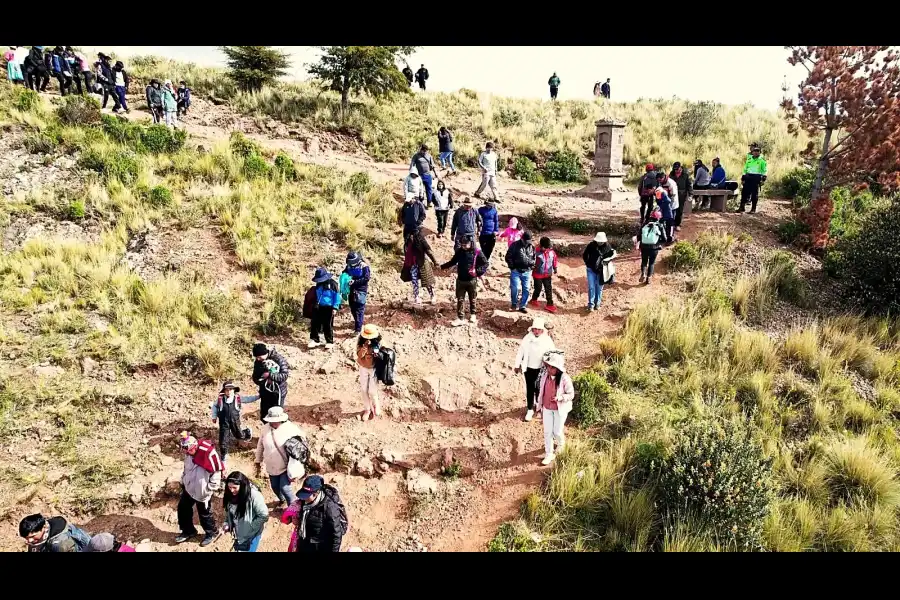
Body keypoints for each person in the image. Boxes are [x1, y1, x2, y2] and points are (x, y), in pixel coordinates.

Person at [176, 433, 224, 547]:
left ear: (195, 446)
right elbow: (186, 469)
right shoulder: (188, 456)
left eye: (188, 449)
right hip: (189, 488)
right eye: (185, 450)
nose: (186, 452)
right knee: (183, 509)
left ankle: (211, 533)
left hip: (202, 492)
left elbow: (216, 472)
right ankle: (188, 531)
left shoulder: (208, 455)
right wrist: (183, 480)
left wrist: (209, 489)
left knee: (204, 515)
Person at [255, 406, 306, 508]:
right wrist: (258, 459)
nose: (273, 423)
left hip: (285, 466)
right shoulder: (265, 428)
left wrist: (297, 468)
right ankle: (281, 500)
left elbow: (302, 445)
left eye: (275, 421)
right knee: (274, 487)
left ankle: (294, 509)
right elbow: (260, 444)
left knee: (285, 489)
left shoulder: (291, 429)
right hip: (271, 466)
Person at [535, 351, 574, 465]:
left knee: (557, 431)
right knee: (547, 432)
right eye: (548, 366)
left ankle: (561, 444)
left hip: (559, 409)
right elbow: (541, 391)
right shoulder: (544, 376)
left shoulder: (565, 378)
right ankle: (549, 454)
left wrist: (560, 398)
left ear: (557, 368)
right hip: (547, 408)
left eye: (552, 367)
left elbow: (571, 394)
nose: (549, 368)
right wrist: (539, 406)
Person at [291, 475, 347, 553]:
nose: (303, 498)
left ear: (316, 493)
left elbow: (336, 535)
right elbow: (305, 517)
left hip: (320, 547)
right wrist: (298, 521)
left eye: (306, 495)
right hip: (305, 541)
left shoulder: (330, 508)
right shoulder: (306, 501)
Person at [514, 318, 556, 422]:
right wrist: (517, 364)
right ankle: (529, 409)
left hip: (541, 369)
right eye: (535, 329)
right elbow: (521, 352)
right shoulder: (527, 338)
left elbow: (552, 353)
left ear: (542, 330)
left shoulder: (547, 340)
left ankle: (539, 407)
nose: (536, 331)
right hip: (528, 368)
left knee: (539, 388)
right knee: (530, 388)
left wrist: (551, 365)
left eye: (539, 329)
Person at [441, 236, 487, 326]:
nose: (464, 247)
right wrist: (442, 266)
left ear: (471, 243)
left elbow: (485, 263)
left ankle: (473, 314)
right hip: (460, 280)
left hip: (472, 280)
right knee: (460, 299)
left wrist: (477, 272)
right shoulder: (460, 252)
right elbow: (453, 262)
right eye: (462, 245)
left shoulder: (477, 252)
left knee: (472, 298)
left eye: (466, 245)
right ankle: (460, 318)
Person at [211, 380, 258, 469]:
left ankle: (247, 432)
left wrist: (257, 397)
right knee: (223, 440)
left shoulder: (237, 398)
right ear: (224, 391)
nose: (229, 391)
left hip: (235, 421)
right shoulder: (220, 399)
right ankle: (224, 457)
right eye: (227, 390)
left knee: (239, 434)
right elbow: (214, 406)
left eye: (231, 389)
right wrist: (214, 416)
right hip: (223, 422)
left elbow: (248, 399)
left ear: (234, 390)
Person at [223, 471, 269, 552]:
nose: (231, 490)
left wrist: (251, 528)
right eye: (229, 487)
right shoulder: (230, 494)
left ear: (242, 486)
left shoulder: (254, 496)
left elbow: (264, 515)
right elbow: (229, 511)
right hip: (239, 532)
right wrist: (227, 523)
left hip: (252, 535)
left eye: (234, 488)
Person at [251, 342, 290, 421]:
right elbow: (255, 377)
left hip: (278, 392)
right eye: (256, 357)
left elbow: (284, 375)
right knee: (265, 417)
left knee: (277, 416)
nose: (257, 359)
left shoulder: (279, 359)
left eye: (259, 357)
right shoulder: (258, 362)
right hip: (265, 392)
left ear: (264, 353)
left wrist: (270, 375)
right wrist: (263, 382)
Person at [19, 513, 91, 552]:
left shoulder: (61, 544)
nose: (29, 541)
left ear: (44, 528)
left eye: (32, 536)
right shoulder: (39, 532)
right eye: (26, 538)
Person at [309, 267, 342, 349]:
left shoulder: (333, 284)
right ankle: (315, 340)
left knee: (327, 324)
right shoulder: (318, 284)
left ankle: (329, 341)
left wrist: (335, 307)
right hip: (318, 306)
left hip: (329, 308)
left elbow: (337, 297)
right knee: (315, 323)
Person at [583, 232, 616, 310]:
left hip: (601, 272)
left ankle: (597, 304)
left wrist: (604, 263)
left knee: (599, 288)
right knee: (591, 287)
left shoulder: (608, 247)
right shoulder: (591, 245)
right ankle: (591, 304)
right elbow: (585, 255)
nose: (600, 242)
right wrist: (588, 264)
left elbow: (610, 258)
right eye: (598, 241)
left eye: (601, 241)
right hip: (590, 270)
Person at [403, 229, 438, 305]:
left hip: (422, 263)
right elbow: (407, 253)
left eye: (413, 236)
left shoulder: (420, 240)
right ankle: (417, 297)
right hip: (413, 264)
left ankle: (432, 296)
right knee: (414, 281)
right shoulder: (408, 242)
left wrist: (435, 262)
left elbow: (429, 251)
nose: (411, 237)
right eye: (410, 236)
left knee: (427, 281)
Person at [357, 323, 382, 420]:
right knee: (364, 389)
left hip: (374, 368)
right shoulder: (360, 342)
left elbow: (384, 355)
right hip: (363, 367)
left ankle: (376, 405)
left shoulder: (379, 342)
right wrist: (365, 347)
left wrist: (377, 353)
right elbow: (359, 355)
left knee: (372, 390)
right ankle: (367, 409)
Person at [506, 231, 536, 313]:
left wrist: (531, 266)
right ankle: (514, 304)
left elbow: (534, 258)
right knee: (515, 288)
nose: (527, 243)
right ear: (522, 239)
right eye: (526, 241)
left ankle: (523, 306)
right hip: (516, 271)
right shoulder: (514, 245)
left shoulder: (531, 247)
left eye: (529, 241)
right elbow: (508, 257)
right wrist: (512, 267)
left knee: (526, 289)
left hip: (527, 271)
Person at [343, 251, 371, 335]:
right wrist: (344, 278)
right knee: (353, 308)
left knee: (359, 309)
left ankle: (358, 329)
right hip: (351, 290)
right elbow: (344, 273)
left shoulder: (364, 266)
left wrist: (354, 282)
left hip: (360, 291)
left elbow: (366, 278)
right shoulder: (349, 266)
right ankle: (357, 322)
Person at [529, 237, 558, 313]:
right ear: (540, 245)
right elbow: (531, 261)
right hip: (537, 274)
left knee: (548, 289)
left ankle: (549, 304)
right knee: (538, 288)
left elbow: (554, 259)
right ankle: (534, 299)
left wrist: (555, 268)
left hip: (547, 274)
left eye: (546, 248)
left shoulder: (551, 252)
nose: (544, 249)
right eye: (543, 247)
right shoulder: (535, 251)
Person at [739, 145, 767, 213]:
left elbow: (764, 170)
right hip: (748, 177)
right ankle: (742, 207)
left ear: (759, 152)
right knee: (744, 193)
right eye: (755, 151)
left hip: (756, 178)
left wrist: (763, 179)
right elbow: (745, 169)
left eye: (757, 151)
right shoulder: (749, 160)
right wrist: (743, 178)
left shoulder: (762, 161)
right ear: (752, 152)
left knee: (754, 194)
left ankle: (753, 209)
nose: (756, 152)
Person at [639, 210, 665, 285]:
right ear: (658, 218)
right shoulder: (660, 226)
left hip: (644, 247)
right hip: (654, 248)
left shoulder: (645, 224)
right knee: (651, 263)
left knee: (644, 261)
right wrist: (659, 243)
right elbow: (664, 239)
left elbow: (639, 235)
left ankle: (643, 273)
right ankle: (648, 278)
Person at [669, 162, 693, 230]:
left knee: (679, 210)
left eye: (677, 169)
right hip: (672, 194)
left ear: (680, 167)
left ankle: (677, 224)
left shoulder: (685, 175)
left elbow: (689, 185)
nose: (676, 170)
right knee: (672, 209)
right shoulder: (671, 174)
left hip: (682, 195)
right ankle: (671, 224)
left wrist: (690, 194)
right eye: (675, 169)